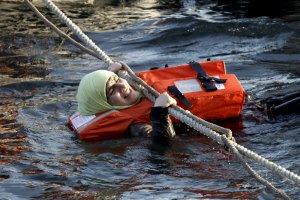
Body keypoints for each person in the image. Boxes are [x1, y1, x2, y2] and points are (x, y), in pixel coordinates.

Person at [76, 61, 177, 145]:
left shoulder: (122, 96)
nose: (123, 86)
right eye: (112, 91)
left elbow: (102, 90)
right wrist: (160, 112)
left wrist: (111, 73)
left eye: (118, 79)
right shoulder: (135, 126)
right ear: (104, 105)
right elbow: (164, 145)